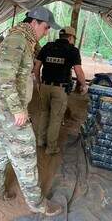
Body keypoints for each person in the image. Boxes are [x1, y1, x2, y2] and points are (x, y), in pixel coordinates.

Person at [0, 6, 63, 216]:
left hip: (5, 108)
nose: (46, 32)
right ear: (35, 22)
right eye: (46, 27)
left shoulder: (26, 41)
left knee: (1, 151)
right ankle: (38, 204)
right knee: (27, 154)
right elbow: (5, 79)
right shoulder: (17, 40)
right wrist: (19, 110)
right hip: (9, 110)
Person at [33, 27, 88, 155]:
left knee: (44, 113)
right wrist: (84, 85)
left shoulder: (47, 47)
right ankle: (51, 148)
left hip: (45, 86)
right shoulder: (72, 51)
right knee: (56, 118)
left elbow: (36, 68)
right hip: (60, 89)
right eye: (73, 38)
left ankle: (40, 141)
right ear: (70, 37)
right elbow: (78, 71)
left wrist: (38, 83)